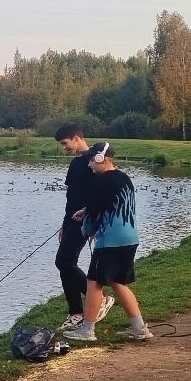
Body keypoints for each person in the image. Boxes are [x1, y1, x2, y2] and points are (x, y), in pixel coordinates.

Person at [63, 144, 150, 343]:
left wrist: (86, 228)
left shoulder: (100, 181)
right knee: (118, 283)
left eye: (91, 160)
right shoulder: (123, 178)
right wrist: (86, 210)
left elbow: (93, 218)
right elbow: (110, 202)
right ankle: (140, 329)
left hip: (110, 241)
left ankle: (87, 330)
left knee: (94, 283)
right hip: (129, 238)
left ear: (102, 158)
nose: (89, 164)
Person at [52, 123, 112, 334]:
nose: (64, 148)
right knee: (65, 264)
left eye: (65, 143)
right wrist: (64, 224)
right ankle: (76, 312)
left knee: (63, 261)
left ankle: (99, 298)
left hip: (84, 221)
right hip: (71, 220)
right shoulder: (75, 163)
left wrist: (93, 219)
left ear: (76, 138)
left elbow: (101, 192)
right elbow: (71, 197)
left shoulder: (93, 160)